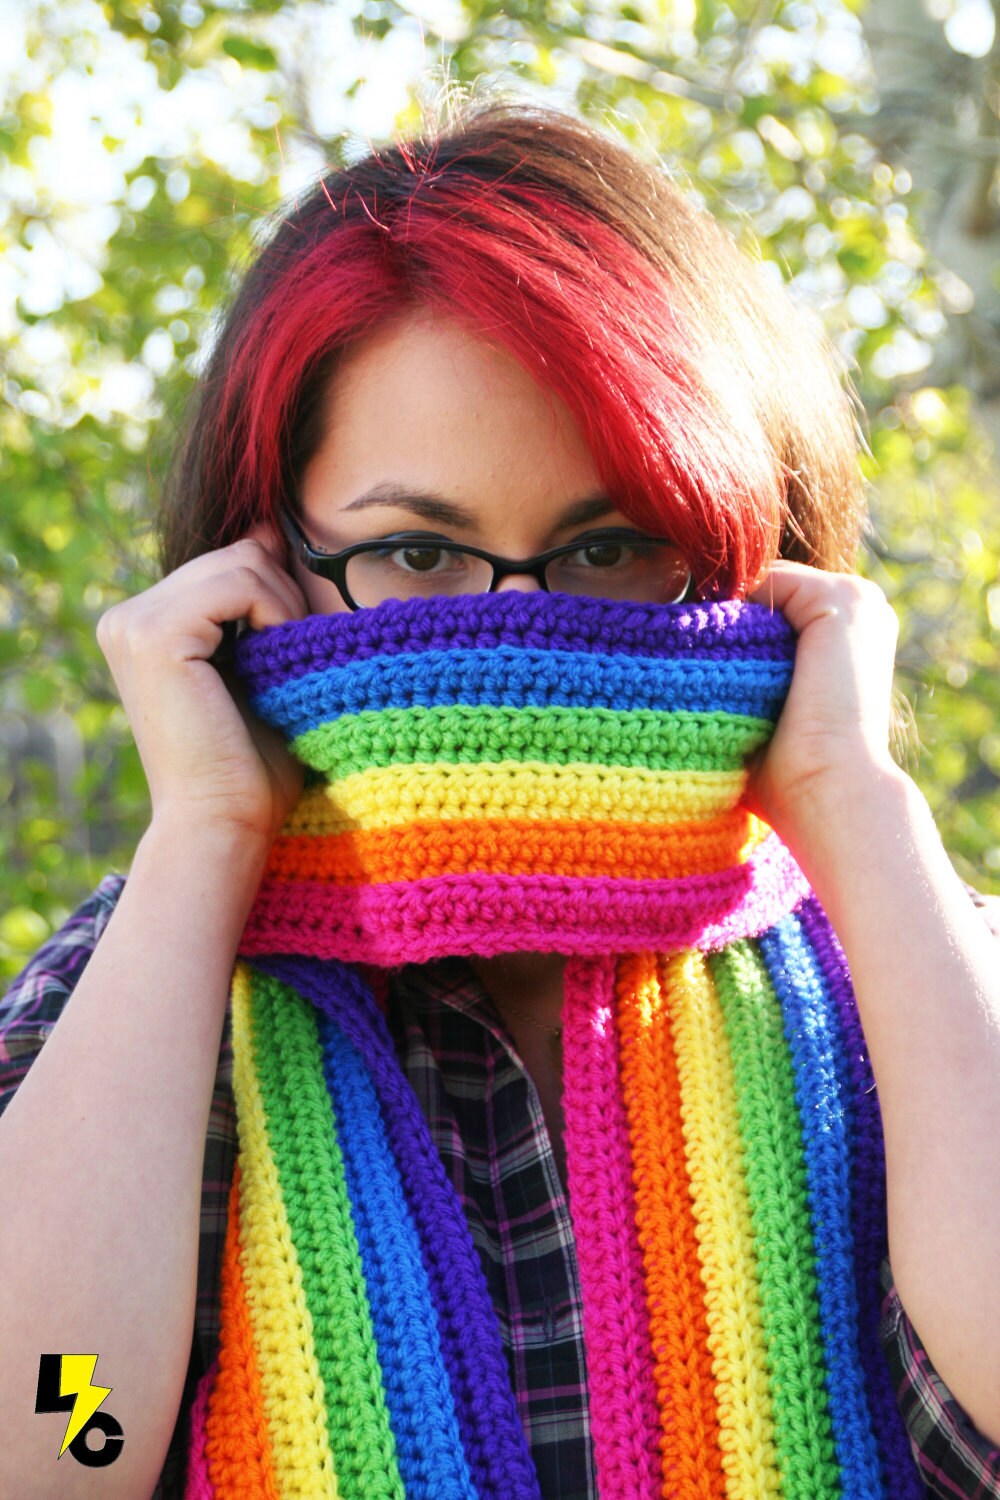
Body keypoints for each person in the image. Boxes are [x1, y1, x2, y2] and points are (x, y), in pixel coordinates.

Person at [1, 94, 998, 1500]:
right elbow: (52, 1443)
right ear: (262, 561)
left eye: (608, 546)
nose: (516, 640)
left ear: (747, 551)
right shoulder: (140, 999)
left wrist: (855, 800)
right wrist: (203, 846)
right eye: (417, 551)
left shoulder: (913, 965)